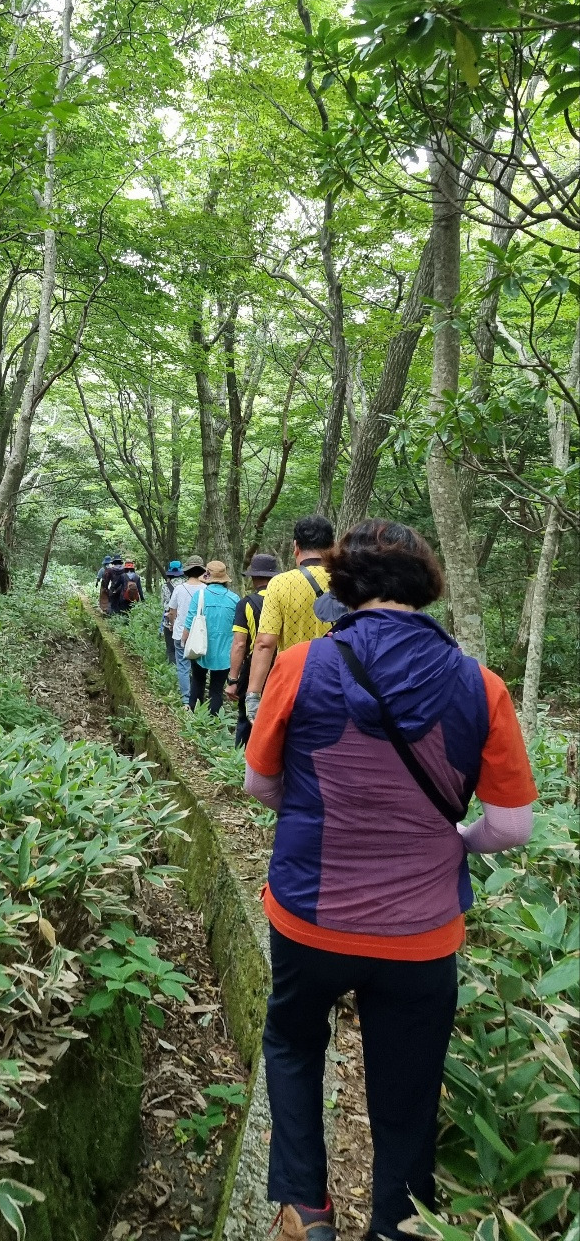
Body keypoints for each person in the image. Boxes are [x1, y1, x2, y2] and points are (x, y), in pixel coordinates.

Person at [244, 519, 538, 1241]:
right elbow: (511, 827)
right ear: (426, 588)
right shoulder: (481, 685)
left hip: (309, 914)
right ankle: (395, 1226)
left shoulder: (300, 665)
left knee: (292, 1044)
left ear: (342, 587)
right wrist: (456, 839)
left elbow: (259, 784)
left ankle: (305, 1209)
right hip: (421, 931)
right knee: (407, 1087)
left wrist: (313, 808)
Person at [246, 515, 334, 722]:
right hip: (337, 682)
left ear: (296, 546)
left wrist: (253, 695)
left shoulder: (280, 583)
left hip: (293, 682)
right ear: (332, 546)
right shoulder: (347, 580)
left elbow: (265, 643)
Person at [226, 553, 281, 748]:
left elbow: (239, 644)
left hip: (253, 669)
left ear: (253, 577)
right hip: (282, 667)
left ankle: (241, 758)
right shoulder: (284, 599)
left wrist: (233, 680)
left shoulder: (246, 603)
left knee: (246, 717)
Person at [181, 561, 240, 716]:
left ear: (207, 577)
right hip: (225, 652)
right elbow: (238, 627)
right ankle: (213, 719)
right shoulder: (234, 599)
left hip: (200, 647)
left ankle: (195, 714)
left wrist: (184, 640)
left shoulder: (199, 596)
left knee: (197, 681)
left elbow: (189, 621)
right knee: (216, 689)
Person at [166, 556, 206, 704]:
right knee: (199, 667)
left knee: (183, 666)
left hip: (179, 633)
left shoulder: (179, 589)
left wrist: (172, 624)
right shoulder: (206, 589)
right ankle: (197, 700)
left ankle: (186, 700)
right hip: (199, 635)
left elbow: (172, 611)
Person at [161, 560, 184, 664]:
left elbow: (163, 603)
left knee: (170, 647)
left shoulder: (165, 586)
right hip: (183, 619)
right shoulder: (186, 585)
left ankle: (172, 665)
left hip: (169, 619)